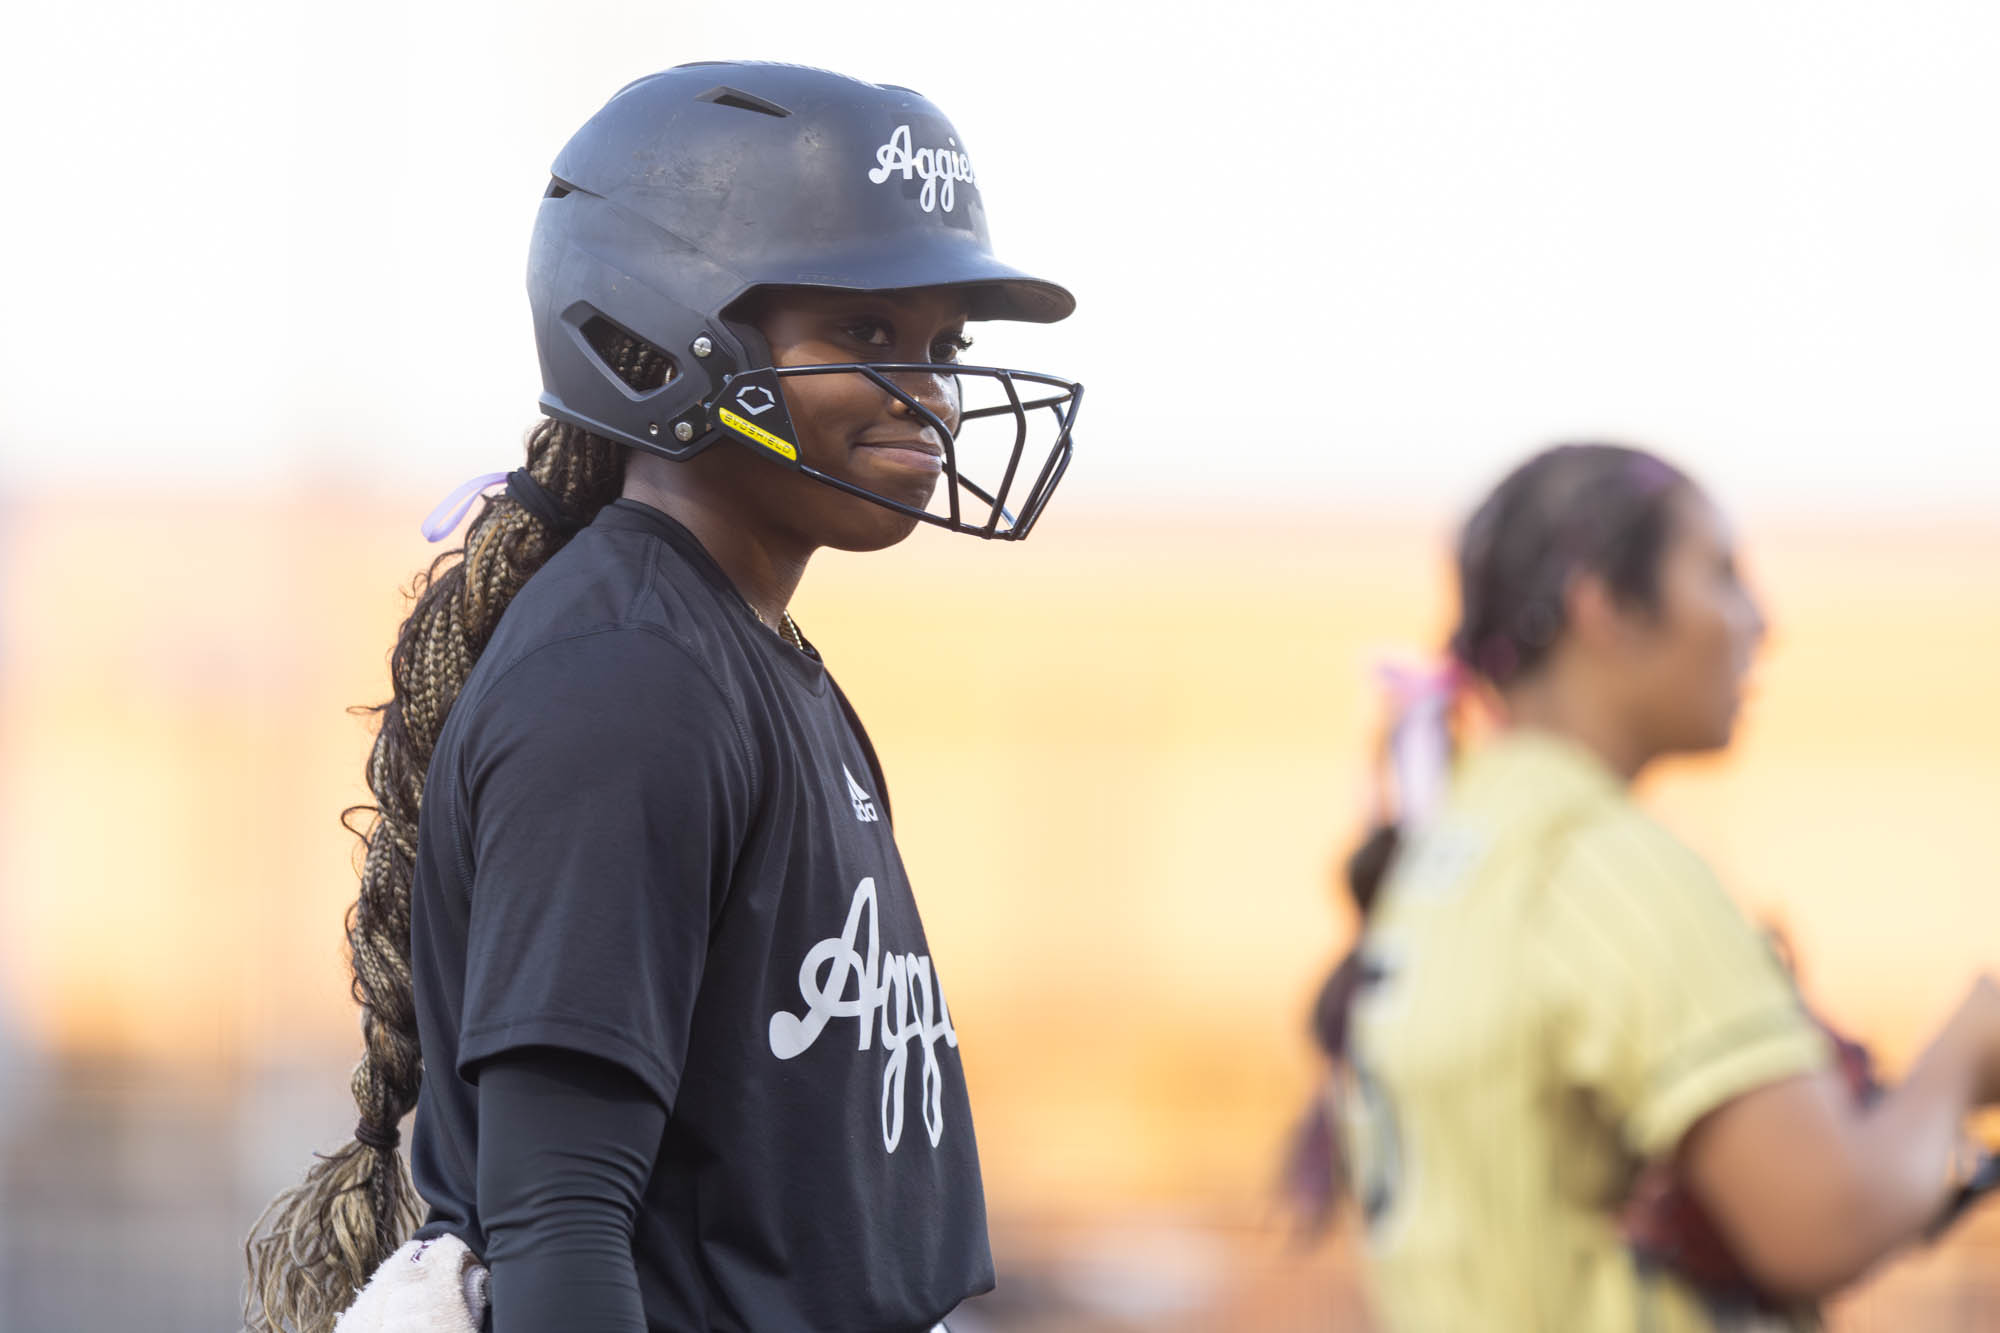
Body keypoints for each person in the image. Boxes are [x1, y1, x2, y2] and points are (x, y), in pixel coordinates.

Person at [244, 61, 1082, 1333]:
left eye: (942, 346)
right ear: (657, 340)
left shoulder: (749, 656)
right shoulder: (627, 682)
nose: (933, 394)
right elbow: (557, 1225)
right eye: (863, 334)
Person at [1336, 443, 2000, 1331]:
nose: (1759, 621)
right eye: (1721, 575)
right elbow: (1821, 1219)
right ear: (1603, 606)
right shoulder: (1601, 862)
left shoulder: (1451, 849)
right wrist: (1965, 1053)